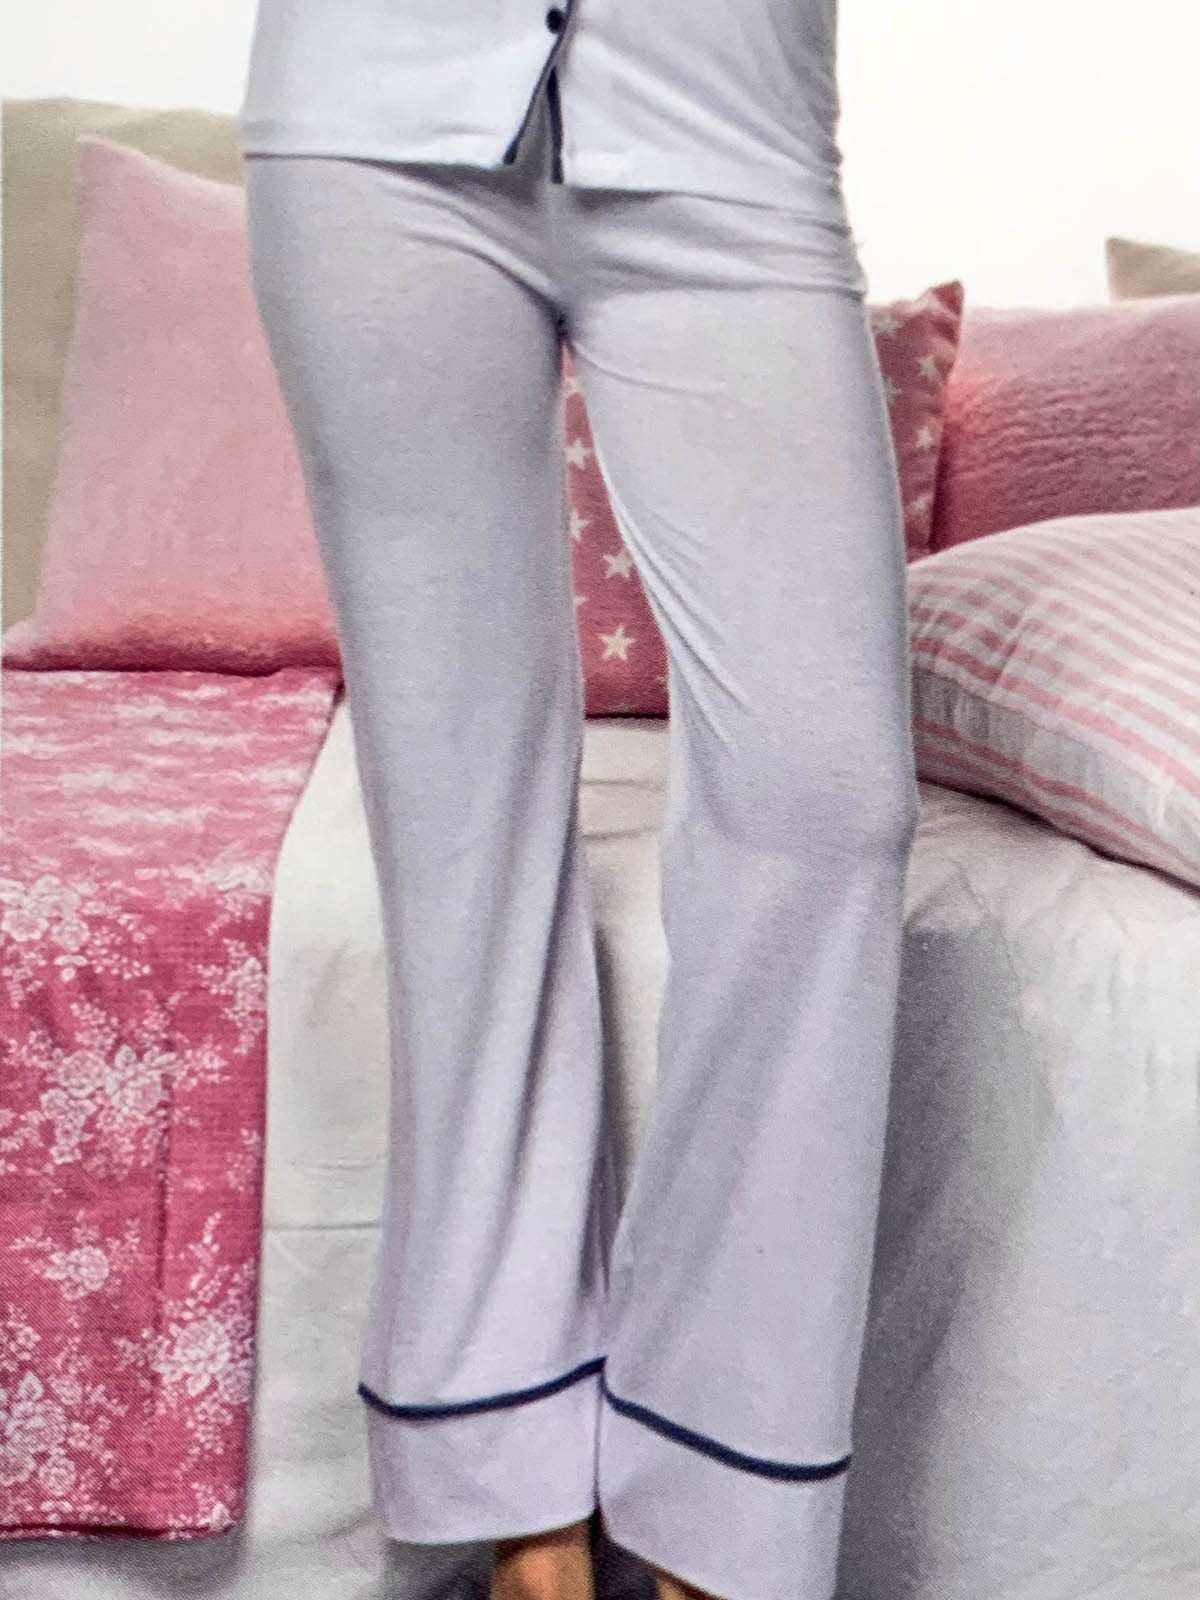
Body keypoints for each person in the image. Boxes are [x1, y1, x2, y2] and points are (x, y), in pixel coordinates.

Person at [238, 6, 920, 1600]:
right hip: (367, 131)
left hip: (728, 131)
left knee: (828, 803)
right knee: (459, 814)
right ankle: (522, 1505)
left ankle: (723, 1511)